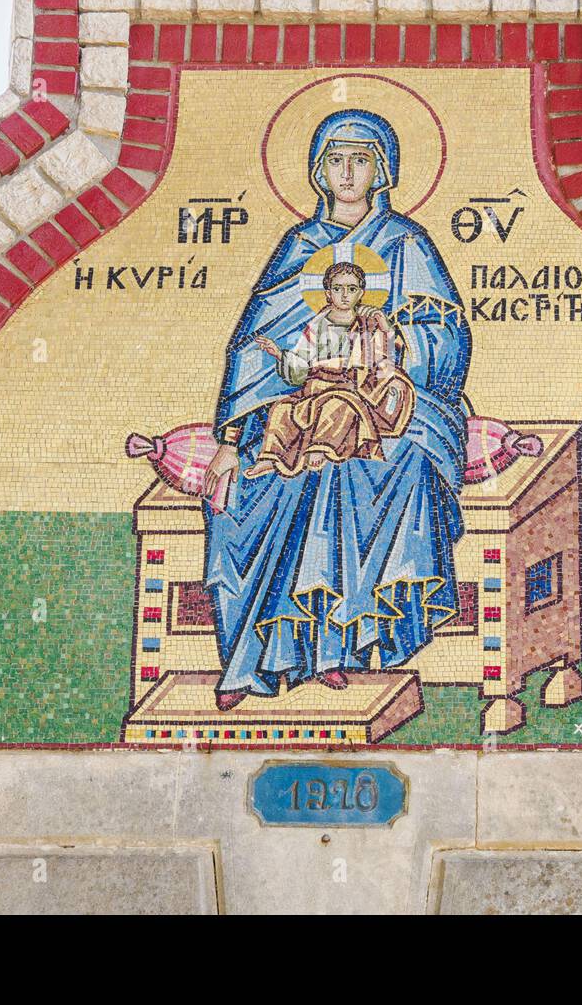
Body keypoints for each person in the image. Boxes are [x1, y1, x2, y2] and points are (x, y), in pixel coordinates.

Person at [201, 109, 471, 712]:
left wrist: (399, 343)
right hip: (303, 401)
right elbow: (256, 346)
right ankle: (256, 660)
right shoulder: (298, 248)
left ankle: (340, 646)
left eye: (361, 160)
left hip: (390, 403)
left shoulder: (405, 243)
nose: (348, 173)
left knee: (373, 467)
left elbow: (448, 333)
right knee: (252, 484)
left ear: (383, 170)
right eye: (336, 161)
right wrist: (230, 437)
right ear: (319, 172)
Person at [245, 260, 414, 479]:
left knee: (337, 406)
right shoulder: (317, 325)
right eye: (338, 289)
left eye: (351, 289)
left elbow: (385, 360)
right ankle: (270, 458)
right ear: (327, 293)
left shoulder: (367, 323)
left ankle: (322, 448)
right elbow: (300, 367)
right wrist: (279, 354)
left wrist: (383, 325)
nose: (345, 295)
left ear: (360, 293)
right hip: (314, 389)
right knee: (282, 409)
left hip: (350, 389)